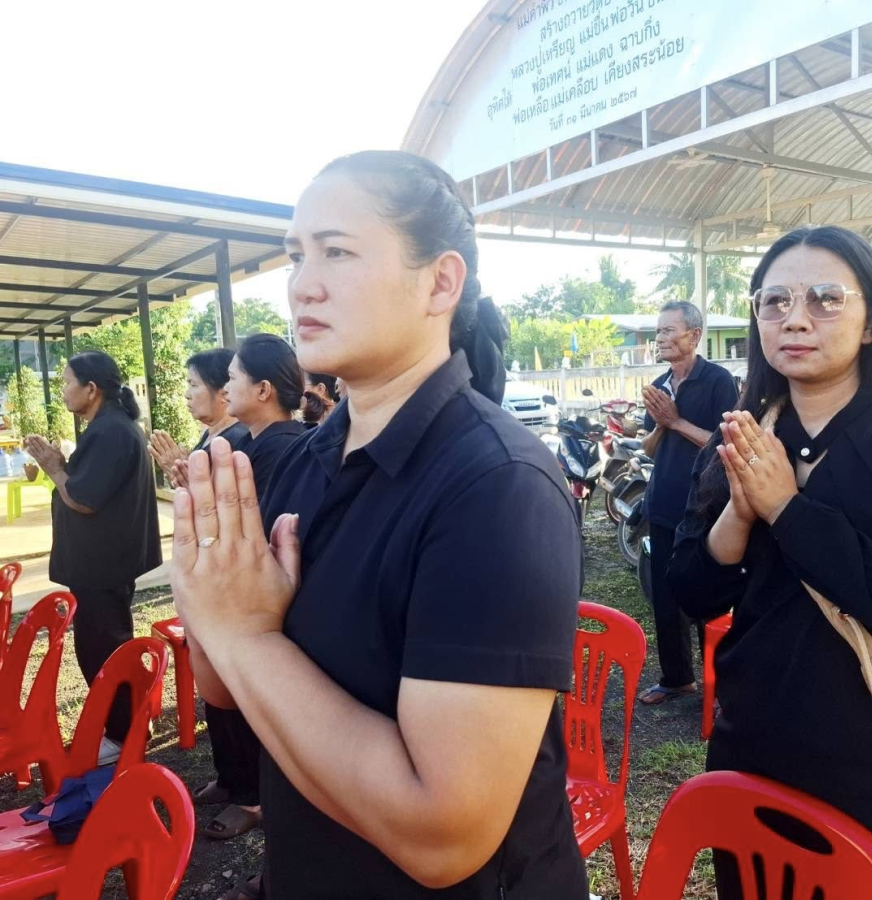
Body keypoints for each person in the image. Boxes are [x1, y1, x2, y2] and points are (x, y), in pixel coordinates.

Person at [170, 150, 586, 899]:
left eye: (337, 251)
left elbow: (443, 835)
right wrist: (208, 596)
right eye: (296, 255)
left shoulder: (497, 485)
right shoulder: (308, 460)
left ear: (441, 282)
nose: (302, 284)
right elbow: (226, 690)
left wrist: (246, 635)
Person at [668, 226, 872, 898]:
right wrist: (741, 511)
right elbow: (693, 594)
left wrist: (789, 510)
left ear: (871, 322)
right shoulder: (744, 432)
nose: (796, 319)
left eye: (825, 299)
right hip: (758, 743)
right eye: (775, 302)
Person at [24, 351, 162, 765]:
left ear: (91, 388)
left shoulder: (111, 431)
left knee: (102, 649)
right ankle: (129, 723)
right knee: (107, 643)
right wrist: (61, 465)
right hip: (104, 562)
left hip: (103, 564)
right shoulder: (108, 427)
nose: (63, 390)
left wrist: (54, 467)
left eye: (67, 382)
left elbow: (83, 499)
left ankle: (122, 735)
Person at [196, 332, 306, 845]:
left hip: (263, 597)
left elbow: (259, 526)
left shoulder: (284, 447)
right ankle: (234, 779)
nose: (225, 388)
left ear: (263, 390)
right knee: (224, 694)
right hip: (235, 588)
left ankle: (256, 795)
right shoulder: (250, 442)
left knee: (249, 701)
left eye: (233, 378)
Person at [637, 300, 737, 705]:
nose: (660, 338)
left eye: (668, 330)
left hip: (704, 506)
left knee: (707, 595)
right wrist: (663, 424)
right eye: (658, 331)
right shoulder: (659, 384)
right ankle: (677, 678)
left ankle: (721, 684)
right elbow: (647, 447)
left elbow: (723, 443)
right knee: (664, 596)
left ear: (694, 336)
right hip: (662, 503)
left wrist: (676, 421)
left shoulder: (717, 381)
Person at [149, 347, 249, 489]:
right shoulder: (211, 432)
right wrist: (182, 469)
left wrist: (178, 472)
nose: (187, 394)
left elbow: (223, 498)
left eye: (194, 385)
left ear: (224, 393)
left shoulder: (236, 440)